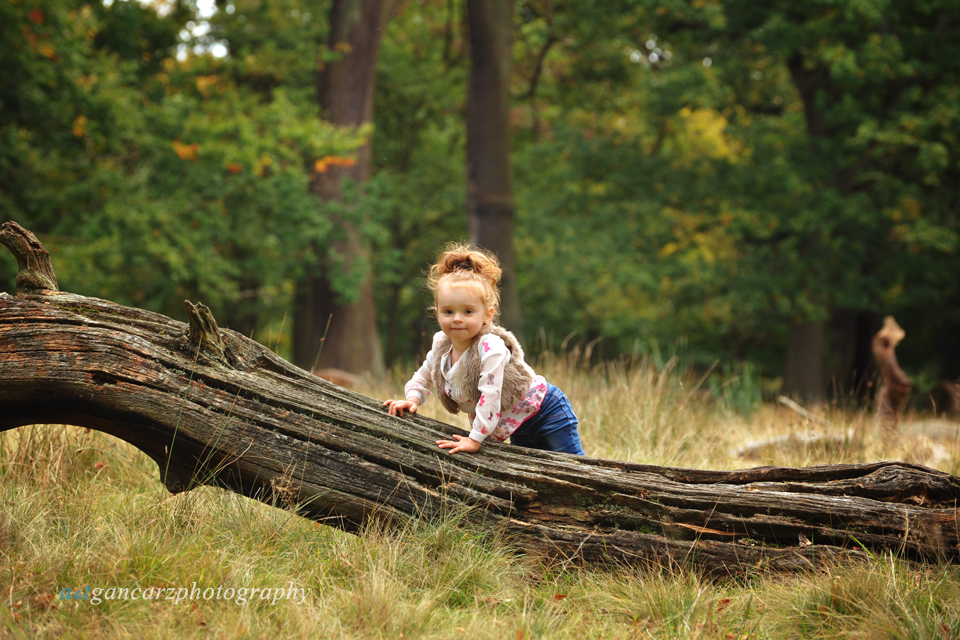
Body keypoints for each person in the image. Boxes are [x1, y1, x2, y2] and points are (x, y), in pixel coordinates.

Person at [383, 243, 585, 456]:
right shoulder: (442, 346)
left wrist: (475, 439)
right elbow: (424, 375)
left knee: (574, 465)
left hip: (546, 410)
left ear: (487, 316)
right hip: (516, 422)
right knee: (535, 474)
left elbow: (490, 394)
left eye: (468, 311)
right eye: (448, 311)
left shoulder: (490, 347)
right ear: (437, 313)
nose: (457, 319)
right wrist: (412, 399)